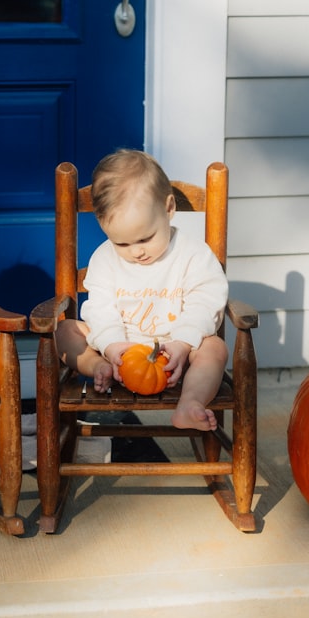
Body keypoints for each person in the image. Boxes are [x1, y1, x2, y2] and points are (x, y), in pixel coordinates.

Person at [55, 149, 229, 431]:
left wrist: (183, 343)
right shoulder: (104, 259)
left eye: (146, 238)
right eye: (122, 244)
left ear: (169, 208)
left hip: (176, 352)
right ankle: (98, 369)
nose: (136, 252)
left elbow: (207, 301)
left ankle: (190, 403)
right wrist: (111, 346)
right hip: (120, 350)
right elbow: (100, 309)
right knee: (64, 332)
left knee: (216, 348)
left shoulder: (193, 254)